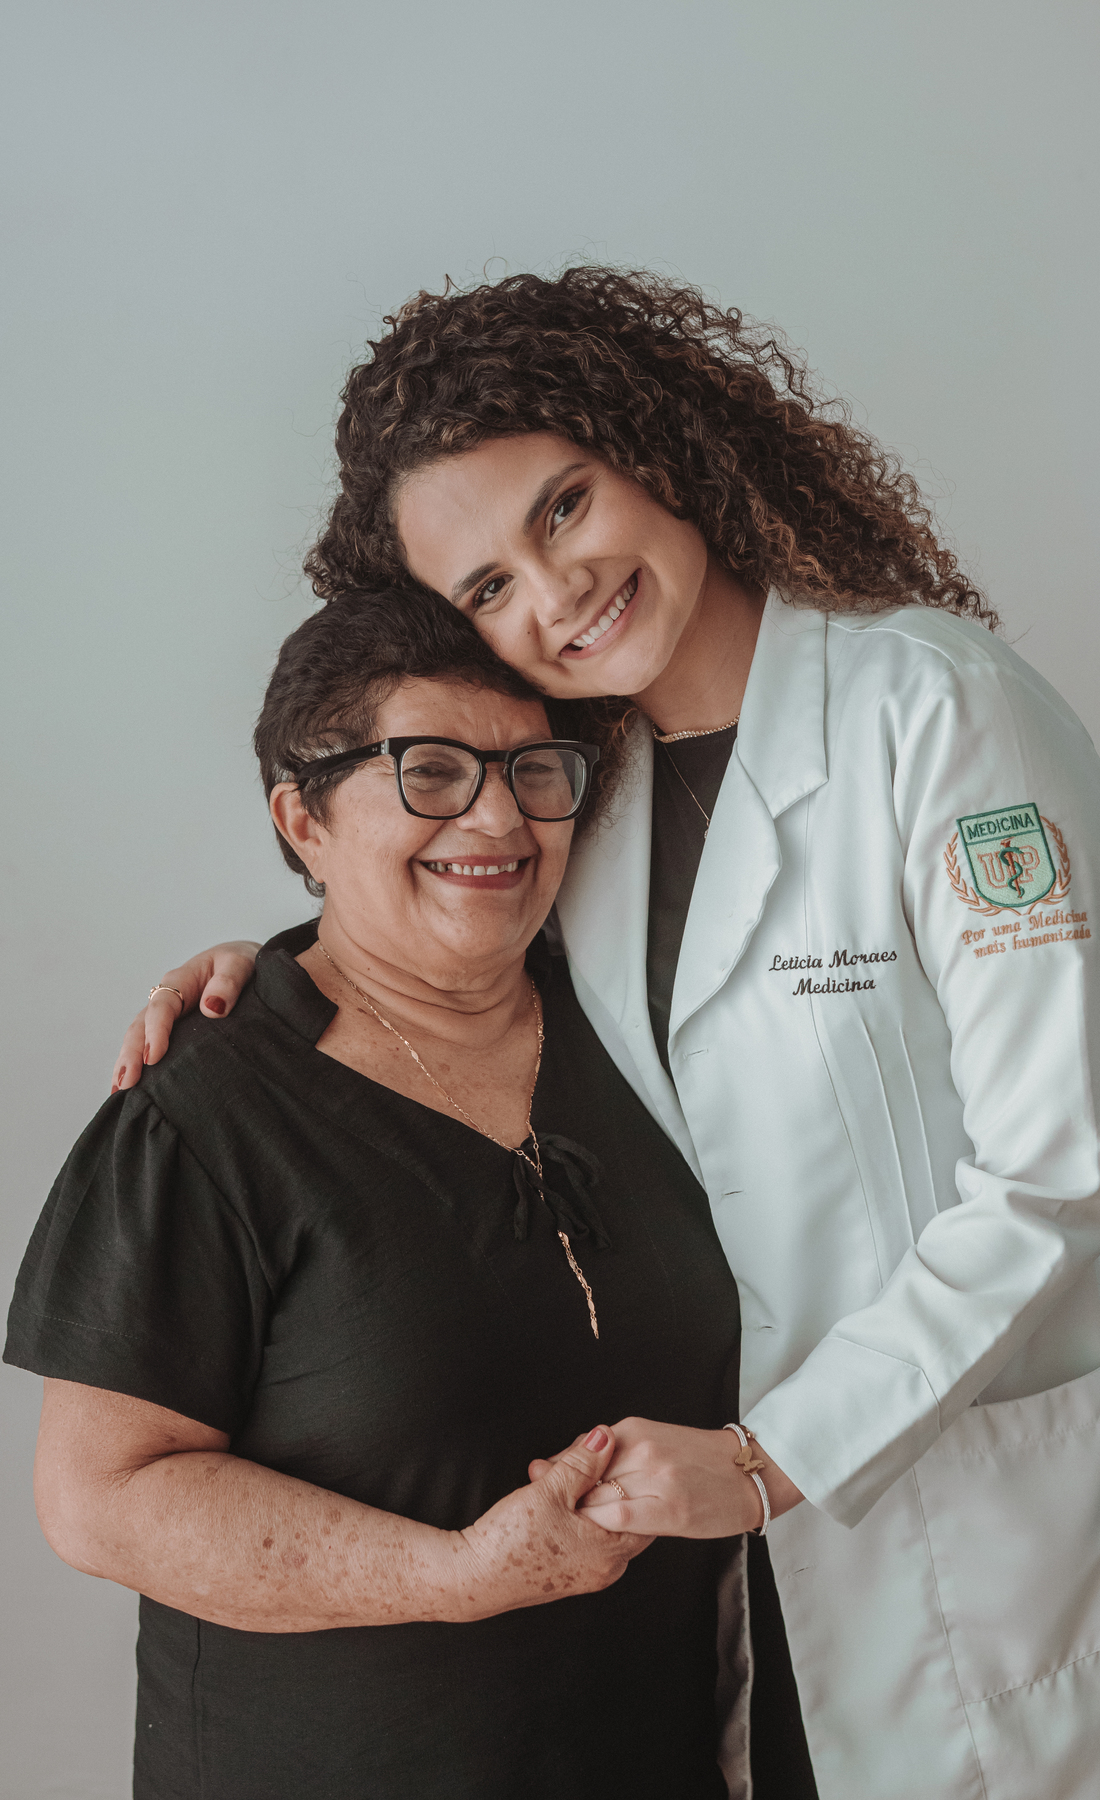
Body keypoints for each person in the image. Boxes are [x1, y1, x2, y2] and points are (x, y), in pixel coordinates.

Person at [114, 269, 1100, 1798]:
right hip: (732, 1544)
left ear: (657, 447)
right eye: (486, 589)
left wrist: (766, 1462)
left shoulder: (939, 715)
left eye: (562, 507)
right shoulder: (586, 797)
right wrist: (293, 968)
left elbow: (1049, 1182)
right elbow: (474, 960)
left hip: (974, 1517)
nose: (554, 594)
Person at [7, 586, 779, 1800]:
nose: (498, 817)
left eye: (533, 771)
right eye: (430, 771)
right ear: (302, 818)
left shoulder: (644, 1030)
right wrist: (455, 1573)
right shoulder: (205, 1113)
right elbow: (100, 1498)